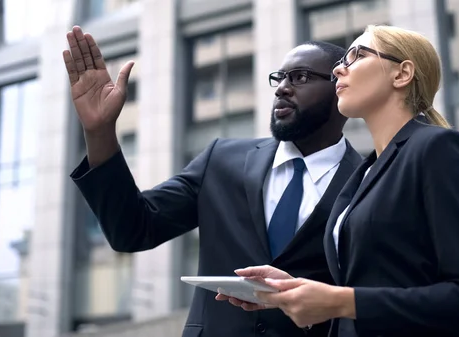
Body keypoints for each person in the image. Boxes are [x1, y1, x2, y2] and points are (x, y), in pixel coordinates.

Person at [62, 25, 363, 337]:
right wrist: (99, 132)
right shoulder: (220, 160)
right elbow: (132, 230)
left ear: (340, 86)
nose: (282, 88)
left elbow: (374, 297)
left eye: (300, 77)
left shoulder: (369, 180)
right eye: (280, 77)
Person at [223, 25, 459, 337]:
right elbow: (375, 288)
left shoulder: (438, 149)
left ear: (401, 74)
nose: (339, 69)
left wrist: (341, 301)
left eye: (357, 56)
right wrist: (297, 292)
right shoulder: (361, 175)